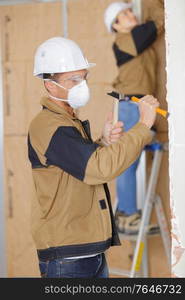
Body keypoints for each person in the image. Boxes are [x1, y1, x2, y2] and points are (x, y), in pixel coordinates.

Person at [28, 36, 159, 278]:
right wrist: (143, 125)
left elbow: (77, 167)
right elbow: (99, 169)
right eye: (73, 80)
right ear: (49, 84)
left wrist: (103, 142)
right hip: (67, 258)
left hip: (87, 252)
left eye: (84, 78)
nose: (82, 85)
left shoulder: (67, 121)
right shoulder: (50, 126)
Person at [104, 1, 164, 235]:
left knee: (131, 161)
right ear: (116, 26)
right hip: (130, 105)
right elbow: (157, 23)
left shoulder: (136, 41)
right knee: (128, 162)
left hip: (137, 105)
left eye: (130, 10)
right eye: (124, 14)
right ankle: (128, 217)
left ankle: (124, 213)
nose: (131, 15)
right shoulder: (125, 40)